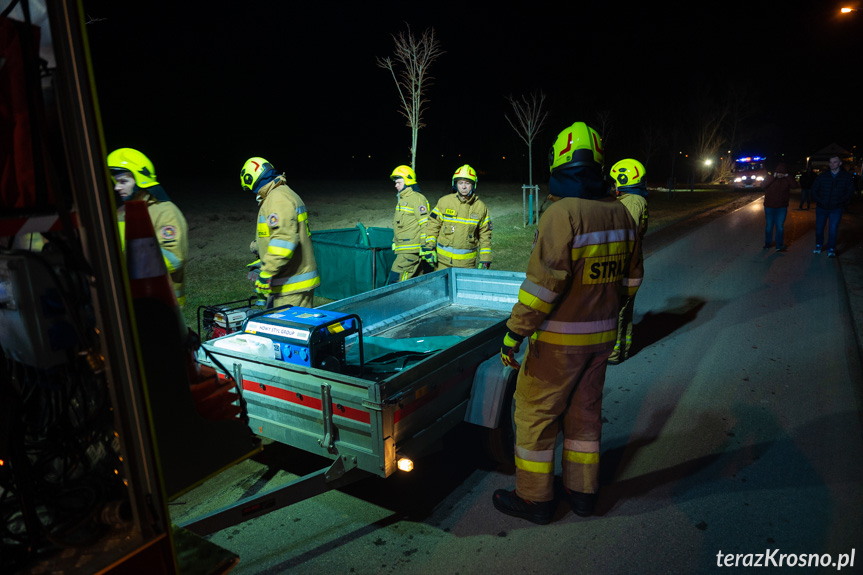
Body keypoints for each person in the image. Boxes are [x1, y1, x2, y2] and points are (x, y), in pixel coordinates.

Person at [493, 122, 643, 524]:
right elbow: (631, 283)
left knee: (535, 416)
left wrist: (514, 334)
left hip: (558, 346)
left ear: (559, 160)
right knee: (584, 417)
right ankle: (582, 495)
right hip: (601, 340)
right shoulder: (622, 214)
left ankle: (535, 499)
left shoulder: (562, 214)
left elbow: (543, 287)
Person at [108, 148, 189, 307]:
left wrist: (123, 265)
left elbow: (174, 258)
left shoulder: (165, 212)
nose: (117, 187)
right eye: (116, 182)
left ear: (140, 180)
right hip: (131, 299)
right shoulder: (121, 213)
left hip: (162, 303)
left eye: (123, 181)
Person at [241, 157, 319, 308]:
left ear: (251, 179)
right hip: (286, 285)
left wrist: (267, 271)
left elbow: (284, 239)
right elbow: (277, 234)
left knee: (290, 329)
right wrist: (262, 254)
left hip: (291, 287)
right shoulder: (279, 194)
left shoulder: (278, 198)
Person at [607, 158, 648, 365]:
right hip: (633, 267)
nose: (613, 184)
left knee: (616, 311)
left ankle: (613, 353)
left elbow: (625, 237)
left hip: (626, 269)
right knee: (625, 311)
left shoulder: (631, 202)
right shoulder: (636, 200)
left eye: (615, 181)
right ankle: (624, 348)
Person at [423, 164, 492, 270]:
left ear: (473, 185)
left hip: (466, 264)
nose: (463, 187)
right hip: (442, 262)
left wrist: (485, 258)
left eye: (467, 183)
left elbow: (485, 234)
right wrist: (429, 247)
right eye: (460, 183)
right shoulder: (444, 202)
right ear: (455, 184)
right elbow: (433, 225)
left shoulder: (480, 207)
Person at [388, 165, 430, 283]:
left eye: (399, 182)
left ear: (408, 181)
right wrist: (395, 242)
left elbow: (425, 223)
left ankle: (399, 301)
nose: (396, 185)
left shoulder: (417, 199)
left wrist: (424, 245)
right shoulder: (402, 200)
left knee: (396, 279)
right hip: (404, 248)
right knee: (415, 279)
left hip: (411, 249)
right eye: (395, 183)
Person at [811, 155, 855, 258]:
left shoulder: (846, 177)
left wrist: (841, 202)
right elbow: (814, 189)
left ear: (840, 163)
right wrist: (820, 200)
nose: (832, 164)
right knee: (819, 228)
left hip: (836, 208)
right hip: (822, 207)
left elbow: (849, 192)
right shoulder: (823, 176)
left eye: (835, 162)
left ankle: (831, 248)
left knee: (833, 228)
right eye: (830, 162)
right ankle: (819, 245)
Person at [760, 162, 798, 251]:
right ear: (776, 172)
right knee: (769, 226)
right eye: (779, 173)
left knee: (780, 226)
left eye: (782, 173)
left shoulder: (786, 180)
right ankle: (767, 243)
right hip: (769, 206)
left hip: (781, 207)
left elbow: (794, 185)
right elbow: (762, 186)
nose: (780, 175)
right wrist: (773, 177)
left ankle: (779, 245)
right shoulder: (770, 178)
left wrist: (787, 176)